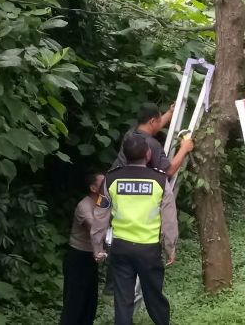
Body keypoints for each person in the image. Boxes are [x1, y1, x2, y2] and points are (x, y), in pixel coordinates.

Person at [92, 135, 179, 325]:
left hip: (121, 248)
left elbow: (100, 217)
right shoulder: (160, 180)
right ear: (148, 154)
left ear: (125, 154)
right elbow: (169, 220)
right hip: (148, 249)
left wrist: (97, 247)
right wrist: (170, 247)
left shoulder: (110, 179)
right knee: (154, 295)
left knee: (122, 300)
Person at [60, 173, 105, 325]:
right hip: (78, 258)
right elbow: (95, 230)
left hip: (90, 259)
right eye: (103, 183)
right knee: (74, 305)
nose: (108, 185)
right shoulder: (84, 206)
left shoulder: (103, 202)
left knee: (89, 305)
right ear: (93, 188)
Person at [112, 103, 193, 176]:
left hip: (113, 180)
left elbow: (154, 125)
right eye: (159, 120)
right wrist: (184, 148)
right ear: (152, 121)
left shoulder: (130, 134)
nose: (160, 122)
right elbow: (169, 171)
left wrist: (170, 112)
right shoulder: (151, 144)